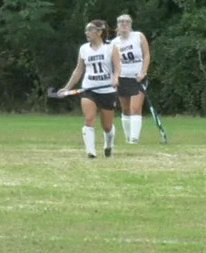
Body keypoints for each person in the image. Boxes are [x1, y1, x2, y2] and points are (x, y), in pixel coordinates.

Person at [59, 20, 122, 158]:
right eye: (86, 30)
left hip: (107, 90)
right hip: (89, 89)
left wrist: (116, 78)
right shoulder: (84, 49)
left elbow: (118, 67)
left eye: (90, 30)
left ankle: (109, 145)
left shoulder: (111, 47)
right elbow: (78, 70)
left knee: (107, 126)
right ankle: (91, 152)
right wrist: (67, 88)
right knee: (89, 119)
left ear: (99, 32)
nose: (86, 33)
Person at [112, 14, 151, 145]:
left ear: (131, 24)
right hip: (122, 78)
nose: (124, 24)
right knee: (125, 109)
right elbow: (113, 63)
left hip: (138, 78)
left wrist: (143, 72)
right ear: (117, 25)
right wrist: (115, 77)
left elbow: (146, 55)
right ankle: (128, 137)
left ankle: (134, 139)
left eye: (127, 22)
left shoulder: (138, 36)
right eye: (121, 22)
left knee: (135, 108)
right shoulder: (114, 43)